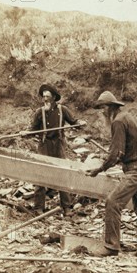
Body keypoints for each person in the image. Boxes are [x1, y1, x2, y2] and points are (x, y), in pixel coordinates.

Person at [83, 91, 137, 258]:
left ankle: (111, 247)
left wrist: (99, 169)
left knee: (113, 202)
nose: (101, 112)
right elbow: (124, 149)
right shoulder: (126, 117)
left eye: (102, 108)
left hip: (135, 169)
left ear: (110, 107)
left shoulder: (117, 122)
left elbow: (116, 153)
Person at [25, 84, 86, 215]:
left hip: (58, 144)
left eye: (48, 97)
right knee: (41, 174)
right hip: (44, 145)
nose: (45, 99)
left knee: (62, 174)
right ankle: (38, 208)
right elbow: (33, 129)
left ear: (53, 98)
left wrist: (80, 124)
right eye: (44, 97)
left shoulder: (62, 110)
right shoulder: (39, 112)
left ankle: (67, 207)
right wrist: (26, 133)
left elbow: (74, 122)